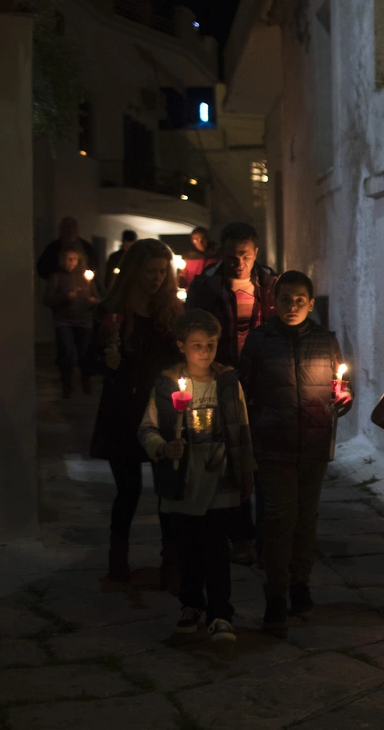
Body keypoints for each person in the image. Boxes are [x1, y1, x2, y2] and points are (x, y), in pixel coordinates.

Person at [238, 271, 353, 637]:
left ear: (311, 303)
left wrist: (343, 399)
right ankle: (275, 594)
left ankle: (300, 585)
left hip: (314, 444)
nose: (291, 306)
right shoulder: (259, 341)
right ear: (274, 301)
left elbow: (339, 386)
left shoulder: (325, 341)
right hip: (274, 444)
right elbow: (243, 392)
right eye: (285, 299)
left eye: (299, 300)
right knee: (279, 518)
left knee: (306, 519)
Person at [137, 309, 256, 642]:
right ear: (181, 345)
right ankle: (191, 606)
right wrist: (163, 447)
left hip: (219, 477)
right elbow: (146, 429)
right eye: (197, 345)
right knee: (188, 549)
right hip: (183, 480)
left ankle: (220, 613)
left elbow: (242, 427)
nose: (205, 352)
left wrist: (246, 470)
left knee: (217, 549)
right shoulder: (165, 384)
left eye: (211, 344)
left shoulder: (228, 382)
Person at [90, 238, 184, 587]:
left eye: (162, 271)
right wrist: (107, 360)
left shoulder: (171, 311)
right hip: (123, 410)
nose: (156, 278)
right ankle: (118, 559)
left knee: (167, 489)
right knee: (127, 490)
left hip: (161, 410)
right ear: (134, 270)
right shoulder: (111, 310)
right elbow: (92, 359)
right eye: (149, 271)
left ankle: (170, 562)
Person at [187, 221, 277, 565]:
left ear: (255, 253)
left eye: (244, 255)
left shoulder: (270, 284)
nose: (238, 262)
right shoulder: (207, 287)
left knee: (263, 459)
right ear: (221, 254)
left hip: (262, 382)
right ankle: (239, 535)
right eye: (231, 255)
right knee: (232, 461)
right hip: (222, 379)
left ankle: (266, 536)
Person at [43, 243, 100, 397]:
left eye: (74, 259)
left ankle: (85, 380)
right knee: (66, 352)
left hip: (84, 320)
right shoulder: (56, 277)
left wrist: (93, 301)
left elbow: (97, 298)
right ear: (62, 260)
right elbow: (47, 300)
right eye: (68, 259)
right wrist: (64, 297)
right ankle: (67, 383)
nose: (71, 262)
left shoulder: (86, 277)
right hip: (64, 321)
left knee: (84, 353)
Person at [36, 217, 97, 281]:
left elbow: (94, 266)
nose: (70, 230)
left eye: (73, 227)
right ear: (61, 229)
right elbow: (43, 269)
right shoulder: (52, 248)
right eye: (66, 227)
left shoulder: (87, 248)